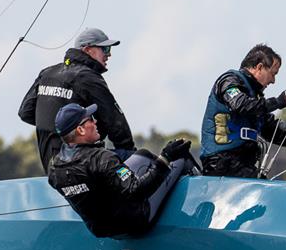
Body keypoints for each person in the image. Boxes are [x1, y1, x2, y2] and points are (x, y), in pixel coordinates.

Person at [48, 103, 194, 238]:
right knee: (180, 157)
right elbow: (137, 191)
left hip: (101, 230)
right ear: (80, 129)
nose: (95, 122)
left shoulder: (54, 167)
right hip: (135, 222)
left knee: (142, 154)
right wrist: (165, 159)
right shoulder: (103, 158)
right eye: (90, 119)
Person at [19, 27, 136, 172]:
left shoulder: (47, 73)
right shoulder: (89, 77)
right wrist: (132, 158)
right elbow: (116, 124)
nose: (109, 54)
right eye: (105, 49)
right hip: (81, 165)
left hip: (52, 169)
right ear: (87, 50)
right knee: (143, 158)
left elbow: (25, 112)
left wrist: (60, 129)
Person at [200, 43, 286, 178]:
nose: (273, 81)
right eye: (273, 74)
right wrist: (277, 102)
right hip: (221, 165)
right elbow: (241, 105)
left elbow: (269, 126)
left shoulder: (255, 97)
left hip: (241, 166)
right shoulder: (228, 81)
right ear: (259, 67)